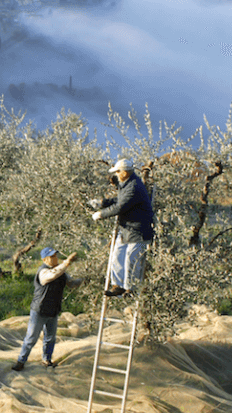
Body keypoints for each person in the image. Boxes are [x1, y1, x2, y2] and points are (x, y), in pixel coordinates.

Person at [89, 158, 154, 297]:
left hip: (139, 231)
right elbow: (119, 200)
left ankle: (131, 289)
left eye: (118, 172)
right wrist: (103, 203)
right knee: (117, 256)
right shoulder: (127, 184)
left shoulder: (134, 186)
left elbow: (121, 206)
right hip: (127, 229)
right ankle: (117, 286)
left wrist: (101, 214)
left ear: (125, 172)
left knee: (132, 259)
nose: (117, 174)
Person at [11, 247, 81, 371]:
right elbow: (50, 276)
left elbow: (71, 284)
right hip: (40, 310)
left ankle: (47, 360)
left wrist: (86, 279)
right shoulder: (43, 271)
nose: (55, 258)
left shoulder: (61, 272)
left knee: (50, 338)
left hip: (53, 310)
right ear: (44, 259)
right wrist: (66, 263)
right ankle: (21, 361)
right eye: (52, 256)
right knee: (31, 338)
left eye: (55, 255)